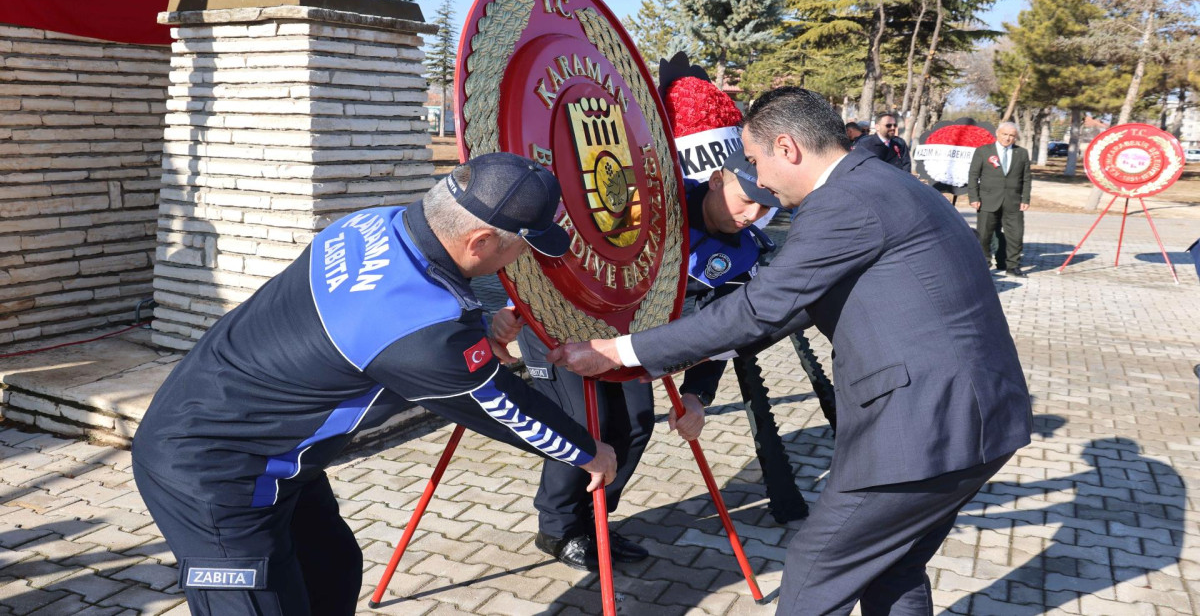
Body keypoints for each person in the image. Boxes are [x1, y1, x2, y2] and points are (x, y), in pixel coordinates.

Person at [549, 87, 1033, 616]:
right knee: (892, 568)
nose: (763, 186)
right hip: (978, 421)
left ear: (787, 148)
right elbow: (795, 307)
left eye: (756, 161)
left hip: (922, 430)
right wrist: (691, 356)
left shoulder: (845, 201)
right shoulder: (884, 183)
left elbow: (759, 307)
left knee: (816, 569)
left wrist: (620, 350)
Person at [131, 153, 617, 616]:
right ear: (480, 242)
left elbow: (391, 318)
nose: (519, 260)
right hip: (214, 470)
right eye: (520, 247)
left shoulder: (374, 222)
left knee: (332, 567)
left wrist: (480, 326)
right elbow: (496, 402)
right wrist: (586, 451)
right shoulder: (423, 336)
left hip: (263, 444)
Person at [492, 148, 793, 571]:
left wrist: (696, 397)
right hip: (557, 322)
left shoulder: (744, 255)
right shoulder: (649, 200)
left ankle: (593, 517)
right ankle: (558, 529)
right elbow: (561, 239)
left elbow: (720, 330)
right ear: (718, 179)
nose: (752, 215)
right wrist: (515, 305)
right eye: (746, 200)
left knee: (632, 426)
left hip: (625, 343)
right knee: (580, 427)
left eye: (766, 207)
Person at [968, 121, 1032, 278]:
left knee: (1015, 234)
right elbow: (973, 175)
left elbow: (1026, 178)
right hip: (987, 200)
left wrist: (1025, 198)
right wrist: (974, 197)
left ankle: (1013, 265)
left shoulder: (1021, 153)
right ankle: (984, 264)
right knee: (984, 235)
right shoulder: (983, 151)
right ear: (997, 134)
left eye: (1012, 135)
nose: (1008, 138)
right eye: (1005, 134)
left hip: (1013, 201)